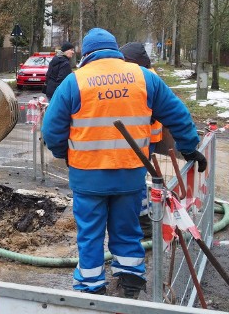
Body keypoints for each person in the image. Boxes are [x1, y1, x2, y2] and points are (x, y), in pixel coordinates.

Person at [42, 28, 206, 298]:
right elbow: (177, 113)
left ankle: (91, 286)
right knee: (127, 230)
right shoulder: (143, 78)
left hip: (87, 176)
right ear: (115, 49)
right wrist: (189, 148)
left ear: (87, 53)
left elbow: (51, 130)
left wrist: (66, 154)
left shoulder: (75, 82)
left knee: (90, 235)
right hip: (129, 174)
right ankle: (131, 281)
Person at [119, 42, 162, 237]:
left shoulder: (147, 77)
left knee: (137, 179)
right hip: (144, 137)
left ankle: (144, 222)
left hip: (144, 138)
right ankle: (142, 216)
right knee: (139, 177)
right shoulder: (147, 74)